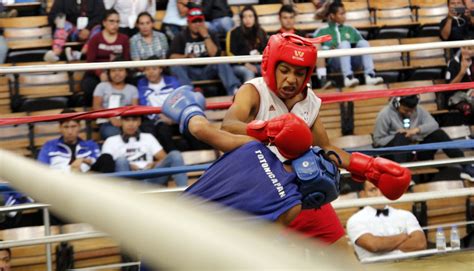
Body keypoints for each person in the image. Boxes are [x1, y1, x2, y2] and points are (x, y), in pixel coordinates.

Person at [220, 33, 411, 246]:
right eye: (284, 71)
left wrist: (368, 168)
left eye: (299, 73)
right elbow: (228, 125)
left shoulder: (309, 100)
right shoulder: (254, 91)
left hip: (301, 190)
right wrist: (268, 130)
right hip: (260, 194)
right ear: (270, 66)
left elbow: (325, 147)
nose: (291, 79)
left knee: (343, 257)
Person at [161, 86, 338, 224]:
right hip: (191, 256)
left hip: (165, 225)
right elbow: (259, 247)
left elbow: (199, 129)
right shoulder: (292, 204)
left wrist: (188, 109)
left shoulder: (251, 146)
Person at [373, 95, 474, 181]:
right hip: (395, 156)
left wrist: (416, 130)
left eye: (412, 111)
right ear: (397, 104)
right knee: (401, 137)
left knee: (438, 133)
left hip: (417, 151)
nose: (410, 113)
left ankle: (467, 166)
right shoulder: (384, 114)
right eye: (406, 110)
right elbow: (377, 141)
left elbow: (434, 125)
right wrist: (397, 137)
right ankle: (402, 177)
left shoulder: (418, 109)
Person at [347, 181, 427, 261]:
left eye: (383, 189)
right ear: (363, 195)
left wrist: (385, 245)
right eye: (373, 190)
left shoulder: (406, 214)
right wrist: (403, 236)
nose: (379, 194)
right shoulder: (355, 220)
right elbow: (374, 246)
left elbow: (420, 244)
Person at [169, 7, 240, 96]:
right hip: (190, 71)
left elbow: (215, 55)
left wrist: (206, 36)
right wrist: (186, 57)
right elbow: (171, 57)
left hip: (208, 70)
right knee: (176, 67)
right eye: (194, 21)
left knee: (221, 61)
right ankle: (188, 94)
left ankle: (234, 90)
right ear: (188, 23)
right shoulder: (181, 36)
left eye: (200, 21)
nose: (198, 24)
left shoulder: (211, 33)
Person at [101, 115, 189, 187]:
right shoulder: (111, 140)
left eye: (134, 120)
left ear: (139, 122)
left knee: (175, 154)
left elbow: (163, 158)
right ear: (121, 122)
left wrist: (154, 164)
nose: (131, 124)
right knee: (121, 160)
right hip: (127, 178)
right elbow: (106, 164)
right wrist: (128, 166)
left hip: (150, 177)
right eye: (127, 120)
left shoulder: (148, 137)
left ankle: (185, 194)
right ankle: (125, 198)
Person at [313, 2, 383, 87]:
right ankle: (348, 77)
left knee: (363, 42)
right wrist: (329, 50)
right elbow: (315, 48)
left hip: (354, 61)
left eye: (345, 13)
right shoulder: (322, 30)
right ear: (332, 16)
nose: (344, 16)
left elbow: (361, 46)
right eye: (341, 14)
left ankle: (370, 76)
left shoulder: (350, 29)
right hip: (335, 63)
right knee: (344, 44)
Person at [37, 109, 115, 173]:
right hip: (59, 184)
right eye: (66, 127)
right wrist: (71, 169)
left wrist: (82, 161)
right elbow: (41, 170)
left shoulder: (91, 145)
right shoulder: (49, 146)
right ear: (60, 128)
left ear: (79, 127)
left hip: (87, 184)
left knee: (106, 158)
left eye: (73, 126)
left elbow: (97, 162)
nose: (70, 131)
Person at [81, 9, 130, 106]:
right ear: (104, 22)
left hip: (118, 71)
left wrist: (118, 73)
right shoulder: (95, 39)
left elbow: (126, 60)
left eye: (117, 22)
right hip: (97, 73)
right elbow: (90, 62)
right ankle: (90, 115)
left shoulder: (124, 39)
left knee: (132, 81)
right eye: (111, 21)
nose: (115, 25)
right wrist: (100, 74)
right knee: (88, 85)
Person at [92, 65, 139, 139]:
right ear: (109, 73)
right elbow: (96, 107)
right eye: (113, 71)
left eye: (120, 70)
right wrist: (111, 118)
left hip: (128, 121)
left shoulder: (133, 89)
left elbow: (134, 110)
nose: (117, 73)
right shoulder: (101, 86)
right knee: (114, 135)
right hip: (106, 122)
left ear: (126, 72)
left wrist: (124, 122)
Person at [226, 5, 268, 83]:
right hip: (240, 66)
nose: (247, 19)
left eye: (250, 16)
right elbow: (230, 53)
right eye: (244, 17)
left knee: (269, 71)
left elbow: (267, 51)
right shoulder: (234, 32)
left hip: (259, 64)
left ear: (255, 18)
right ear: (241, 19)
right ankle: (247, 95)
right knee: (248, 72)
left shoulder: (261, 32)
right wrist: (245, 64)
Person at [445, 45, 474, 116]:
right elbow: (449, 87)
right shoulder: (453, 62)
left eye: (470, 48)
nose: (466, 51)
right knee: (466, 107)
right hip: (457, 97)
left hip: (472, 94)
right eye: (463, 48)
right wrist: (462, 71)